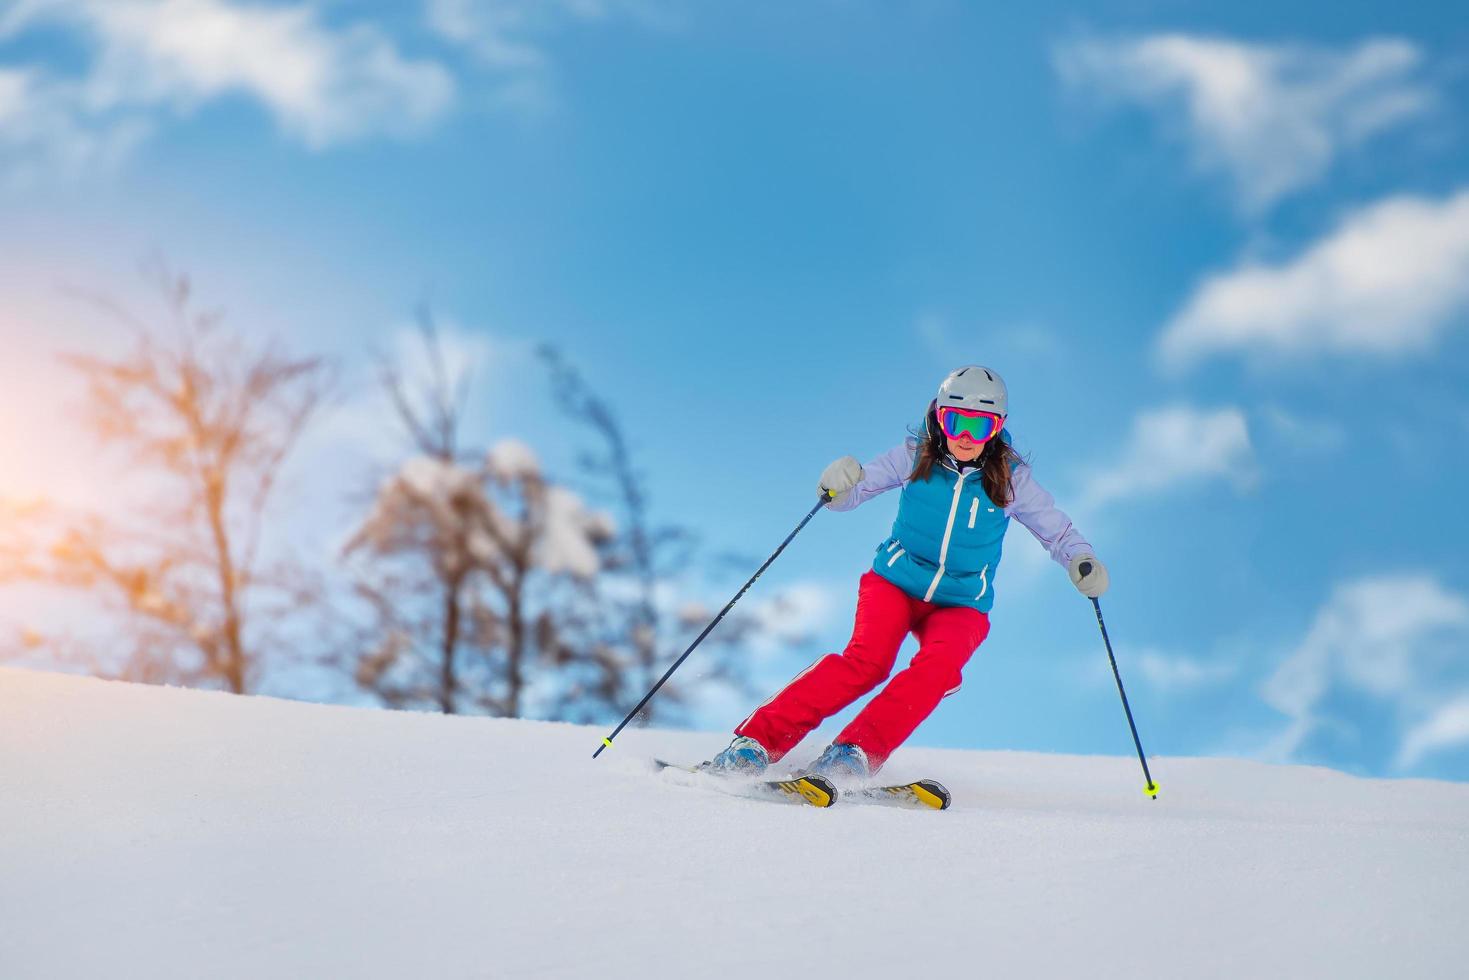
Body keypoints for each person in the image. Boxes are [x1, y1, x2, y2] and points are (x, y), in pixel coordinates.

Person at [709, 365, 1108, 781]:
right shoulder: (915, 454)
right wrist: (837, 486)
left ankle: (852, 754)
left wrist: (1081, 559)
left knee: (938, 670)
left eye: (980, 425)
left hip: (961, 602)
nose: (966, 437)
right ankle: (755, 743)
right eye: (956, 422)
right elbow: (855, 491)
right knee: (867, 662)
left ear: (998, 427)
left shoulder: (1011, 480)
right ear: (939, 417)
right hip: (894, 584)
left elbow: (1058, 532)